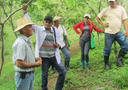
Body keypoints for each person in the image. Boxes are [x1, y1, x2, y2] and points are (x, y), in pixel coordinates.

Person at [22, 4, 66, 90]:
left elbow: (60, 40)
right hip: (44, 58)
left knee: (62, 71)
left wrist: (58, 44)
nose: (47, 24)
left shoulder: (54, 30)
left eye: (49, 22)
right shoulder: (39, 29)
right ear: (43, 22)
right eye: (46, 22)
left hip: (53, 56)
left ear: (52, 23)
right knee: (44, 75)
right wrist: (25, 11)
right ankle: (44, 88)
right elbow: (29, 23)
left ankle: (58, 88)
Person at [96, 0, 128, 69]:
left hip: (119, 33)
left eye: (112, 1)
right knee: (107, 49)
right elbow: (97, 18)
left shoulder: (121, 9)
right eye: (109, 1)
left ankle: (119, 60)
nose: (110, 3)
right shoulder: (106, 9)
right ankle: (106, 63)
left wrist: (127, 31)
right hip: (108, 34)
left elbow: (125, 20)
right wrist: (103, 24)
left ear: (116, 1)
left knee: (126, 45)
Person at [12, 17, 42, 90]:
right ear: (24, 29)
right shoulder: (21, 43)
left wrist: (34, 59)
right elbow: (19, 63)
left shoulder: (26, 41)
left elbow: (24, 57)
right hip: (24, 76)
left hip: (28, 75)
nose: (32, 28)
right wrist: (35, 64)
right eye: (30, 27)